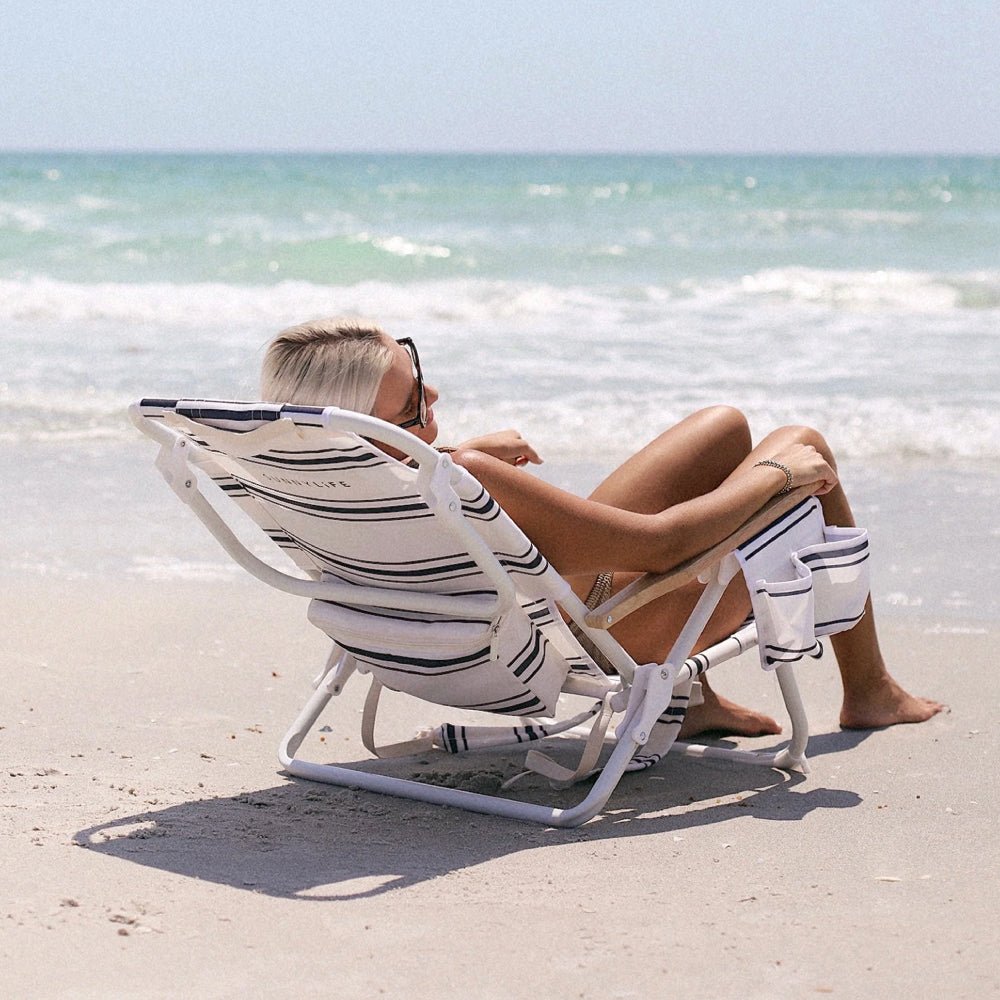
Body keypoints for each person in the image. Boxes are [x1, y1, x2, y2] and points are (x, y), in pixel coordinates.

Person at [261, 318, 944, 737]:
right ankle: (870, 692)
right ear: (378, 427)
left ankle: (692, 701)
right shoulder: (459, 475)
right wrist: (778, 476)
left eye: (420, 371)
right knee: (801, 442)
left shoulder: (311, 477)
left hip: (455, 631)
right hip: (591, 639)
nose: (433, 395)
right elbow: (662, 546)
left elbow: (388, 473)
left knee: (724, 428)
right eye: (414, 400)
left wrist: (442, 458)